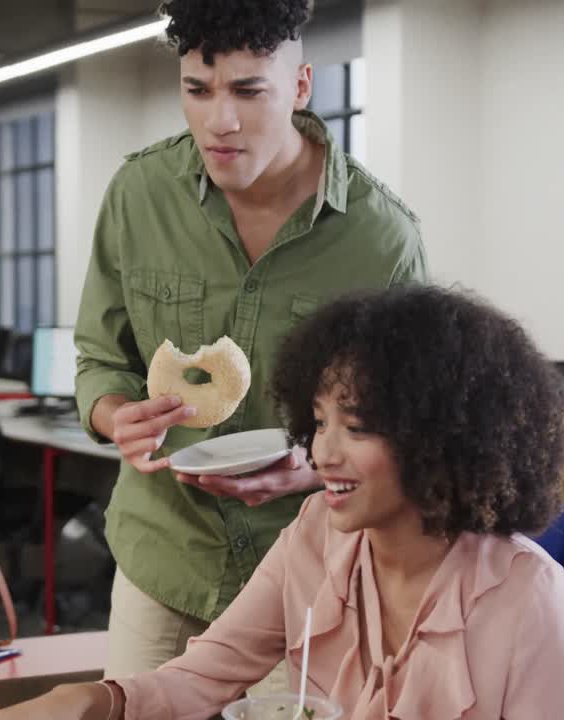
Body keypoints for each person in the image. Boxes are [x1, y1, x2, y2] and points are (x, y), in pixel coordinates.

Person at [0, 285, 564, 719]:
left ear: (440, 437)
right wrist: (89, 700)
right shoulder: (318, 535)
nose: (322, 453)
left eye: (355, 428)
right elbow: (205, 677)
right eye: (318, 422)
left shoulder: (526, 597)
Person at [72, 0, 428, 677]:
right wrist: (117, 416)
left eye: (247, 89)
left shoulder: (382, 240)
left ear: (299, 86)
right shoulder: (138, 194)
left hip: (313, 572)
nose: (220, 121)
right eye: (197, 90)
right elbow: (98, 357)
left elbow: (407, 426)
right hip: (164, 559)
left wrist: (321, 467)